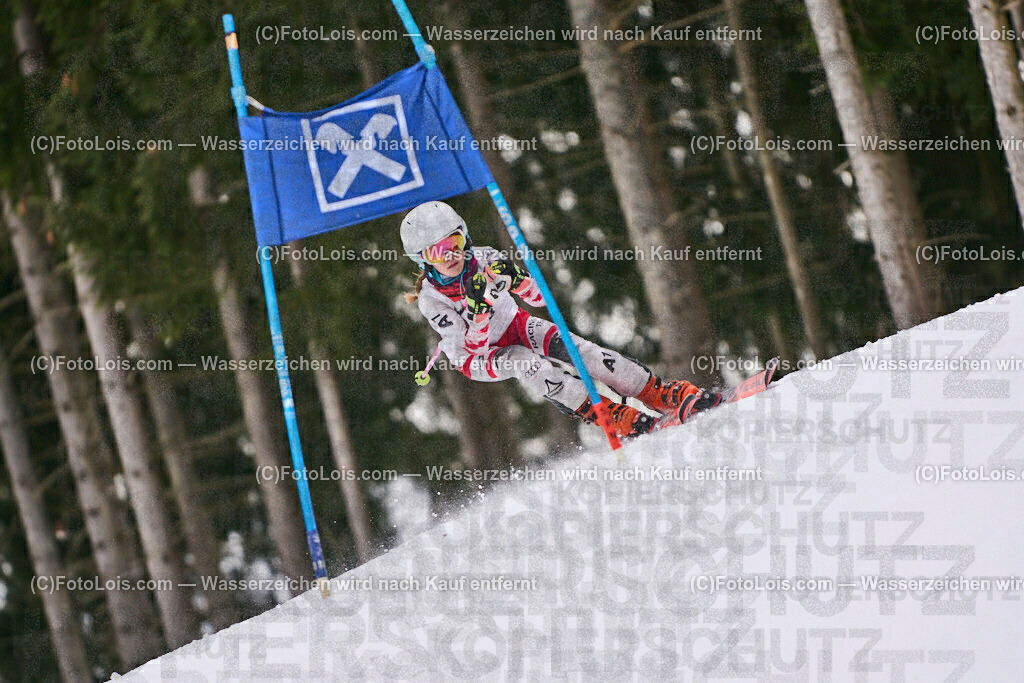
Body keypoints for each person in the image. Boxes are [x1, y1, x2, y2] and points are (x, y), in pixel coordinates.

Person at [401, 201, 722, 439]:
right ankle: (615, 418)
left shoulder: (485, 258)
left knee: (581, 350)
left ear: (465, 239)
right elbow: (475, 345)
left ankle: (658, 393)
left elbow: (541, 299)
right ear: (423, 260)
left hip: (514, 324)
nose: (450, 256)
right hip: (478, 357)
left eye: (453, 243)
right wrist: (479, 312)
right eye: (436, 252)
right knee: (530, 364)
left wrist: (518, 280)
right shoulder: (432, 299)